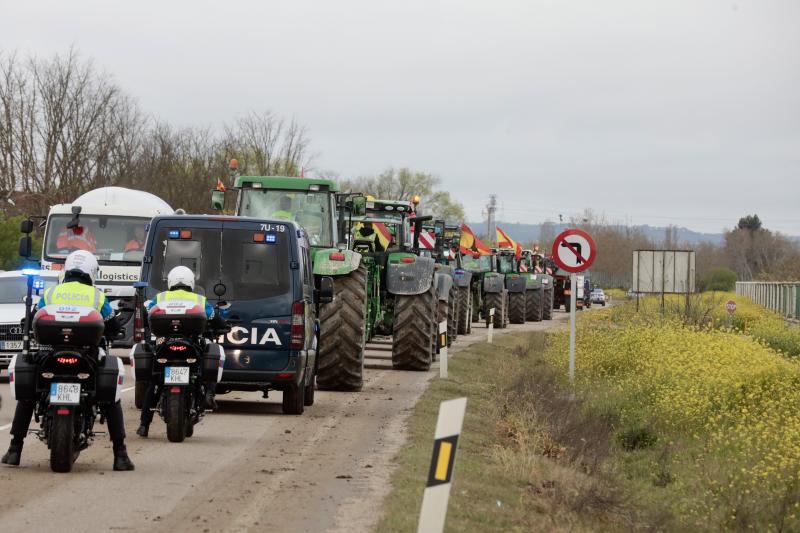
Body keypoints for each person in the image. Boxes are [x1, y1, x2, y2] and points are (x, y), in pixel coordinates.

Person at [1, 250, 134, 471]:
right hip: (87, 356)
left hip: (50, 354)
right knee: (111, 400)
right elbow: (112, 325)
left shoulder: (52, 293)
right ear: (91, 271)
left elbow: (33, 318)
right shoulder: (97, 296)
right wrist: (116, 329)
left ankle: (15, 450)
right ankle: (120, 455)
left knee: (28, 398)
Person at [136, 266, 224, 438]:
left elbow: (148, 316)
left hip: (165, 346)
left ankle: (144, 425)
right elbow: (214, 319)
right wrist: (222, 325)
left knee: (154, 383)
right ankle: (210, 394)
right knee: (212, 353)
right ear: (191, 282)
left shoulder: (160, 297)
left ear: (170, 282)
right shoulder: (200, 299)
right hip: (191, 346)